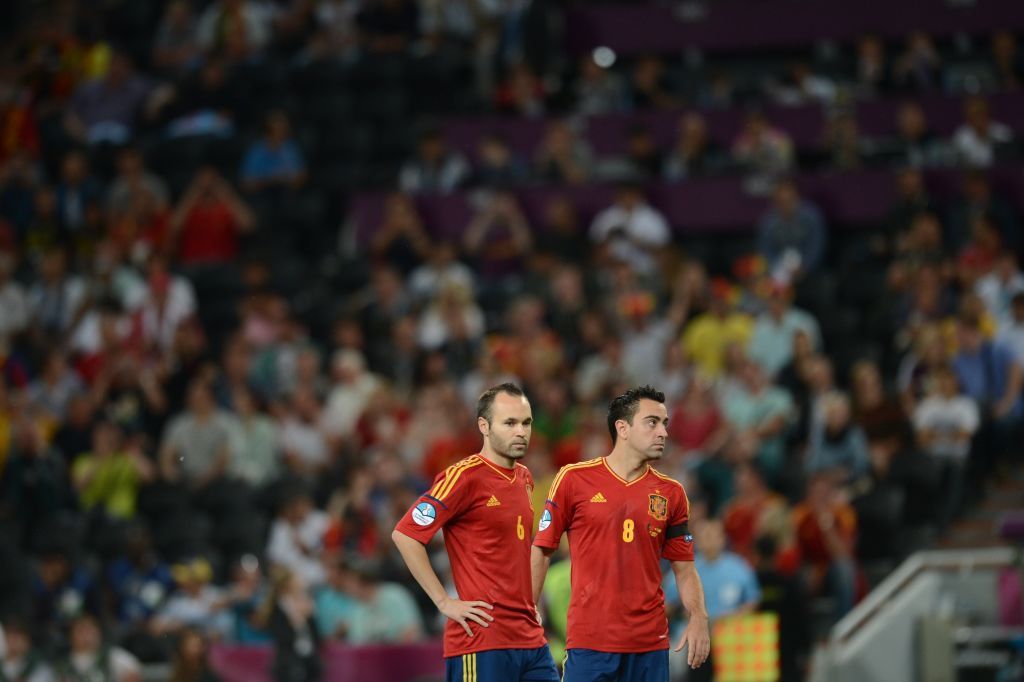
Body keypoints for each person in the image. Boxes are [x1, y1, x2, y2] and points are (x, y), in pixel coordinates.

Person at [531, 385, 710, 681]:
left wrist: (699, 615)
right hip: (590, 644)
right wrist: (529, 611)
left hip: (650, 646)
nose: (663, 432)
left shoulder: (672, 493)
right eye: (652, 423)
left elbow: (685, 567)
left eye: (664, 424)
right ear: (622, 428)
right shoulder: (573, 480)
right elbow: (542, 549)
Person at [392, 383, 558, 682]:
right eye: (509, 423)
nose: (521, 431)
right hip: (481, 639)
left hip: (530, 639)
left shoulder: (525, 478)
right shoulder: (462, 476)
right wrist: (444, 601)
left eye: (526, 422)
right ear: (484, 426)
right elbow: (405, 534)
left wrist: (531, 603)